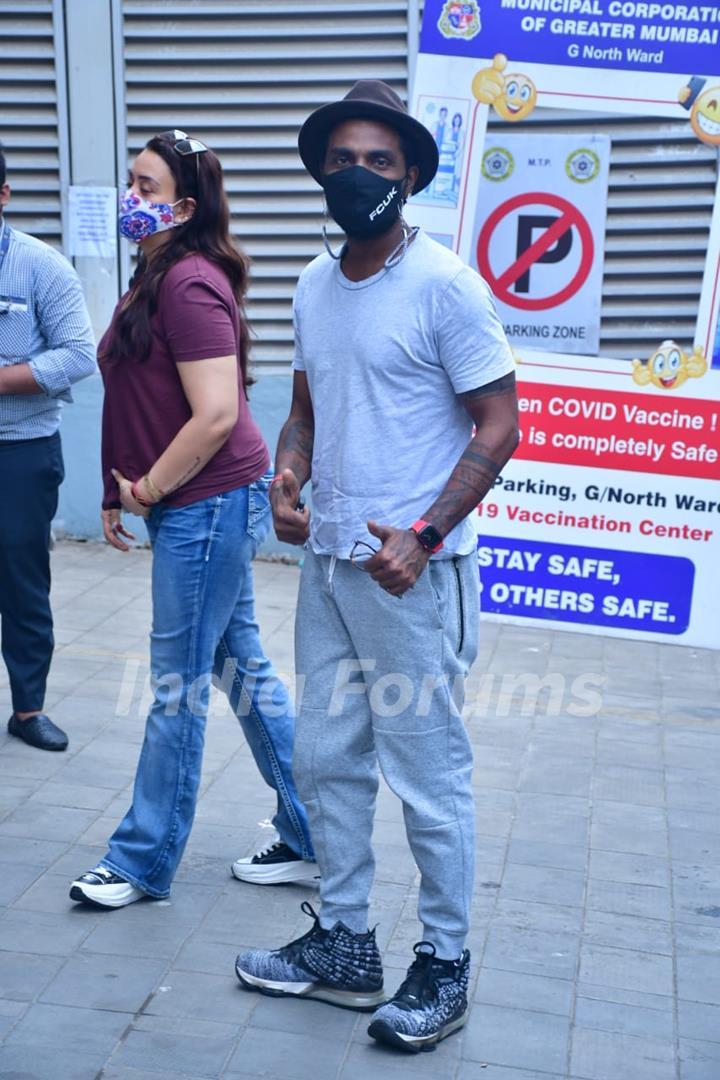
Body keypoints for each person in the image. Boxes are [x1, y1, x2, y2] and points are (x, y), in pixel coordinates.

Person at [235, 82, 519, 1052]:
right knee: (327, 762)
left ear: (410, 178)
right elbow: (310, 408)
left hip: (410, 575)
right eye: (344, 159)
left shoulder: (445, 284)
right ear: (322, 170)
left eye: (381, 162)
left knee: (429, 775)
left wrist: (428, 533)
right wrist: (287, 475)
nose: (359, 174)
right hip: (329, 564)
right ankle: (347, 947)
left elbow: (501, 421)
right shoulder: (313, 285)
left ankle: (444, 964)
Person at [69, 129, 316, 909]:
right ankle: (318, 832)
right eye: (130, 182)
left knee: (178, 684)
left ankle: (142, 859)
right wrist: (121, 488)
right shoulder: (157, 273)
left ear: (182, 205)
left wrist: (146, 491)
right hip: (192, 500)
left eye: (145, 187)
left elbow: (215, 415)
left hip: (206, 502)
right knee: (241, 669)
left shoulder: (189, 282)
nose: (129, 198)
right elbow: (142, 396)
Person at [0, 139, 96, 753]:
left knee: (21, 580)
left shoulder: (41, 266)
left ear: (3, 195)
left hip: (21, 451)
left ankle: (29, 709)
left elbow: (79, 354)